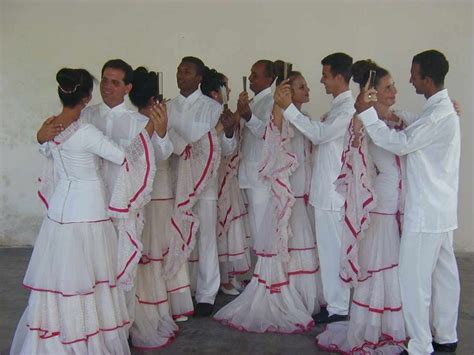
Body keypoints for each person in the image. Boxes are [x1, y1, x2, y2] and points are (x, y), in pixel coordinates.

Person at [11, 68, 159, 354]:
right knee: (91, 277)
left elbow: (45, 147)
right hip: (89, 211)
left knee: (61, 276)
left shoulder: (51, 126)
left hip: (59, 213)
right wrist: (149, 130)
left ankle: (57, 333)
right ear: (87, 97)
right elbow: (124, 157)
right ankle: (86, 337)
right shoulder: (87, 131)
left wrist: (40, 136)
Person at [354, 50, 461, 355]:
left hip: (425, 212)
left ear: (427, 78)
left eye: (414, 74)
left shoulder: (439, 114)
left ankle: (420, 345)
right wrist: (385, 115)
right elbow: (416, 125)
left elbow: (402, 143)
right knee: (444, 276)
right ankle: (445, 336)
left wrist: (370, 116)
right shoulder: (438, 111)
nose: (410, 79)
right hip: (440, 210)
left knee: (414, 282)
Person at [214, 68, 322, 333]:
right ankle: (286, 294)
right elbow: (268, 136)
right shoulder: (280, 114)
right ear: (285, 91)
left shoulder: (303, 117)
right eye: (300, 87)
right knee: (285, 237)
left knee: (299, 239)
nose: (306, 91)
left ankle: (302, 296)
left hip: (300, 188)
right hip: (286, 189)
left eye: (306, 86)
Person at [316, 60, 407, 354]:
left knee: (394, 266)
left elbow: (408, 125)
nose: (394, 91)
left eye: (393, 86)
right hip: (382, 205)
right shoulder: (365, 122)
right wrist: (360, 113)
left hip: (400, 204)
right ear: (372, 93)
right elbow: (357, 147)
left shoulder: (393, 118)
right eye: (388, 87)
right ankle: (375, 325)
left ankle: (390, 323)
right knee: (381, 265)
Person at [275, 53, 354, 323]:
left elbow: (320, 135)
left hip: (333, 194)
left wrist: (289, 109)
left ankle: (339, 309)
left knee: (333, 253)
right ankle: (335, 306)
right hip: (324, 192)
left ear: (339, 77)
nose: (321, 80)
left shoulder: (346, 110)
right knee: (329, 253)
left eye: (325, 75)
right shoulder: (337, 108)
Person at [126, 66, 192, 350]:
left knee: (151, 249)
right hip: (149, 194)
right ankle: (156, 304)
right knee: (153, 250)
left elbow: (172, 149)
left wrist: (162, 129)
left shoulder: (152, 118)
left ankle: (152, 304)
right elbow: (176, 148)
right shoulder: (134, 121)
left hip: (155, 194)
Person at [166, 56, 236, 316]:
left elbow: (227, 149)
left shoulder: (212, 108)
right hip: (175, 182)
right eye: (178, 70)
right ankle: (180, 289)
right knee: (177, 234)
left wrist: (228, 133)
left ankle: (206, 293)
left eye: (187, 71)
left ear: (198, 78)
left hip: (204, 184)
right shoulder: (169, 107)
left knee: (206, 237)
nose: (180, 74)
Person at [200, 67, 251, 296]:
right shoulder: (212, 112)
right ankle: (220, 279)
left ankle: (226, 277)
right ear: (215, 92)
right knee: (221, 224)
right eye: (225, 87)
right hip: (216, 174)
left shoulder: (224, 111)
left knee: (226, 224)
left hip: (227, 174)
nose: (229, 90)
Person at [237, 60, 275, 250]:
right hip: (246, 171)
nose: (250, 78)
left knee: (261, 224)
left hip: (261, 173)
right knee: (250, 226)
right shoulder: (252, 102)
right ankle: (255, 273)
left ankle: (265, 273)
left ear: (269, 79)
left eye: (255, 75)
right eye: (250, 74)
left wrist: (249, 117)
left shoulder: (272, 103)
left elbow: (267, 133)